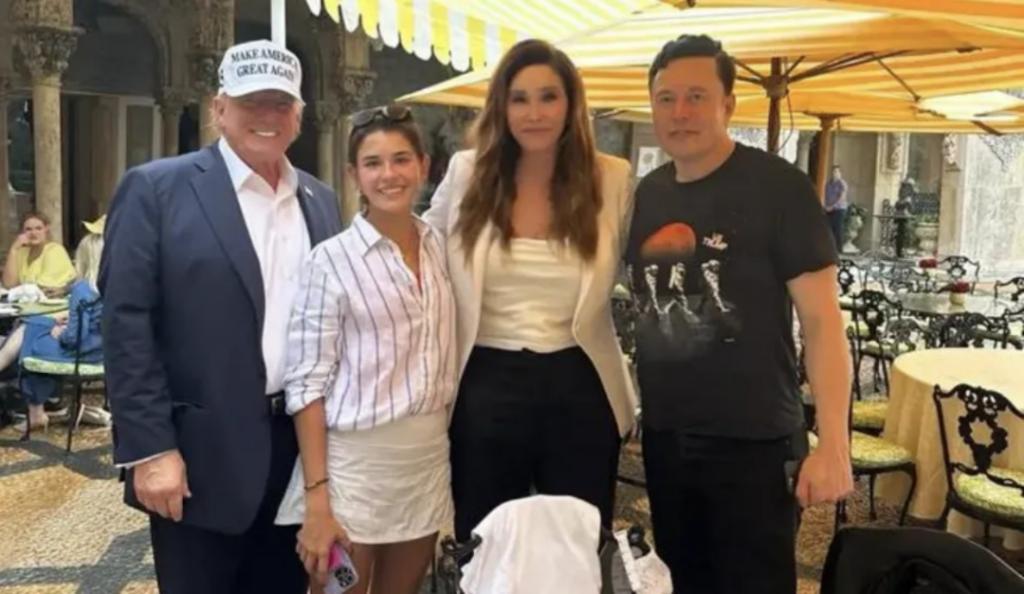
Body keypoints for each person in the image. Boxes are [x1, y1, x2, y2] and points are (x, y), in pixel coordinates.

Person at [99, 39, 342, 594]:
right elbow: (126, 324)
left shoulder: (320, 200)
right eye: (251, 101)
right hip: (199, 458)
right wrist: (151, 449)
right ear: (219, 108)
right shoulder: (156, 189)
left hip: (297, 452)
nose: (266, 115)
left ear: (299, 116)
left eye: (280, 103)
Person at [624, 34, 853, 593]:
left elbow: (823, 323)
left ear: (728, 104)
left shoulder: (779, 188)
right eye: (666, 98)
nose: (680, 112)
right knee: (680, 580)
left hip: (754, 443)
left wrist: (834, 444)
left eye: (697, 96)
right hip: (667, 437)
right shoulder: (646, 196)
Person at [424, 39, 636, 543]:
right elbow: (420, 253)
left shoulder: (612, 179)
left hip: (579, 380)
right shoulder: (467, 172)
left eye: (548, 97)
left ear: (571, 104)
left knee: (576, 544)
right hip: (484, 382)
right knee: (486, 544)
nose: (534, 113)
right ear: (500, 106)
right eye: (519, 98)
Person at [275, 105, 456, 594]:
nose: (388, 174)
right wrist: (318, 500)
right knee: (340, 590)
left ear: (424, 166)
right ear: (354, 175)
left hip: (425, 464)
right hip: (353, 471)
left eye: (401, 159)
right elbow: (306, 384)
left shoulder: (442, 248)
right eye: (373, 163)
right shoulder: (330, 262)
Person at [0, 218, 106, 433]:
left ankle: (35, 412)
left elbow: (73, 338)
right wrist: (65, 322)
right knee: (36, 323)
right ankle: (38, 408)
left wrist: (62, 333)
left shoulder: (82, 289)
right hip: (104, 350)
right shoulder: (114, 285)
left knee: (30, 339)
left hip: (83, 353)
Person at [2, 212, 76, 293]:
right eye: (28, 229)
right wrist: (13, 249)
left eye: (38, 228)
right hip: (26, 299)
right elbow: (9, 284)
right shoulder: (22, 252)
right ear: (22, 232)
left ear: (46, 229)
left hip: (52, 299)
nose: (33, 233)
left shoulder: (54, 250)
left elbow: (44, 288)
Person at [825, 165, 849, 250]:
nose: (834, 173)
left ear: (840, 173)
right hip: (829, 209)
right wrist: (826, 206)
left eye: (836, 172)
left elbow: (841, 198)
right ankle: (830, 248)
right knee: (829, 229)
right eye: (833, 172)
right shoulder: (828, 184)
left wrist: (833, 206)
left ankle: (839, 249)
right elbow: (826, 196)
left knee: (837, 229)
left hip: (839, 209)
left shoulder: (842, 184)